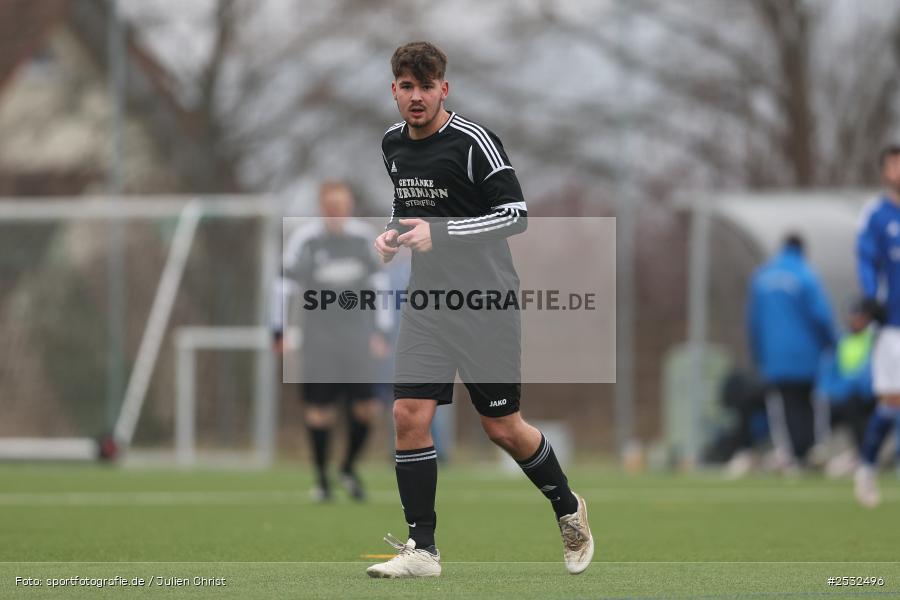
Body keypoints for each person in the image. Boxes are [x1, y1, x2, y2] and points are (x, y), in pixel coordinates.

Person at [365, 41, 593, 578]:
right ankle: (422, 549)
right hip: (428, 304)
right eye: (406, 86)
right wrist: (393, 234)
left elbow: (515, 214)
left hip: (485, 303)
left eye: (426, 87)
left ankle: (568, 507)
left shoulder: (473, 141)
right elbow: (410, 206)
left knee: (502, 427)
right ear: (393, 90)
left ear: (444, 88)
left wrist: (439, 233)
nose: (416, 97)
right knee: (408, 415)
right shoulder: (392, 144)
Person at [273, 181, 387, 502]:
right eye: (331, 205)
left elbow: (379, 287)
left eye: (343, 205)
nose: (338, 211)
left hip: (357, 335)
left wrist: (381, 331)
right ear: (322, 207)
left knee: (367, 408)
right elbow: (283, 287)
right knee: (320, 409)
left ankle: (347, 468)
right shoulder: (306, 240)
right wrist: (279, 330)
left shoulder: (363, 239)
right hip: (318, 336)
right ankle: (322, 480)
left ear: (350, 206)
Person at [747, 233, 837, 470]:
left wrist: (758, 354)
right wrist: (831, 343)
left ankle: (793, 456)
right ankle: (814, 451)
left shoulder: (761, 277)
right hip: (808, 355)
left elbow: (754, 322)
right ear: (803, 250)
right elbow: (821, 315)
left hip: (775, 358)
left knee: (785, 407)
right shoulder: (806, 275)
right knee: (811, 403)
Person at [854, 144, 900, 507]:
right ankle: (867, 467)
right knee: (891, 402)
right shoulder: (875, 215)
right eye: (893, 164)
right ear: (884, 171)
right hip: (893, 324)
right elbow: (866, 259)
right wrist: (871, 299)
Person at [813, 300, 876, 477]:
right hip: (843, 394)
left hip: (867, 394)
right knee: (821, 406)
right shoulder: (841, 340)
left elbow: (868, 372)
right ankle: (823, 452)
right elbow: (829, 371)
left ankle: (865, 456)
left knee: (855, 407)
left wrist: (848, 387)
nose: (855, 321)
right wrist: (828, 392)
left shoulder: (873, 338)